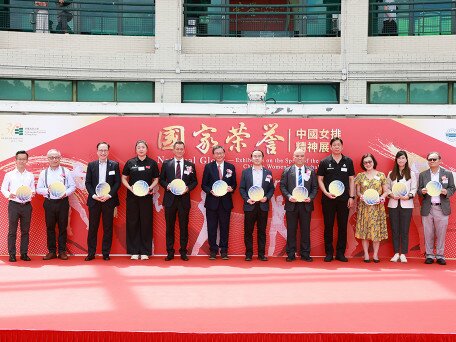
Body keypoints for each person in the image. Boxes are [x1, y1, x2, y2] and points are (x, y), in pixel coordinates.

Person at [317, 137, 355, 262]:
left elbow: (351, 179)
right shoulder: (324, 162)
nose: (337, 147)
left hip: (344, 199)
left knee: (343, 226)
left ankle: (340, 253)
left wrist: (351, 196)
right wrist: (326, 193)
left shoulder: (348, 161)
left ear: (342, 147)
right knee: (328, 226)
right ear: (330, 147)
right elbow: (320, 180)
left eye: (339, 145)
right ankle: (329, 253)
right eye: (334, 145)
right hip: (328, 199)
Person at [159, 141, 198, 261]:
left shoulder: (190, 165)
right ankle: (170, 252)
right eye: (177, 149)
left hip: (184, 200)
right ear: (173, 150)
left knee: (184, 227)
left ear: (184, 150)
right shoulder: (166, 164)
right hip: (170, 200)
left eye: (182, 149)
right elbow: (161, 180)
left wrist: (188, 188)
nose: (180, 151)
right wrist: (167, 186)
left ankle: (183, 252)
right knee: (169, 227)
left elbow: (194, 181)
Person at [122, 140, 159, 260]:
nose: (141, 149)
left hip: (146, 197)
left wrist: (150, 187)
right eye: (139, 147)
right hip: (132, 197)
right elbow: (123, 178)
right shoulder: (130, 162)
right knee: (132, 223)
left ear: (146, 149)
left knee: (146, 223)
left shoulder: (152, 163)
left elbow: (156, 179)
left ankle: (145, 251)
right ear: (136, 149)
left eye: (143, 147)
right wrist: (130, 188)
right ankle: (133, 251)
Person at [36, 149, 76, 260]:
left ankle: (62, 251)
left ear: (60, 158)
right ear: (48, 159)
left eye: (57, 157)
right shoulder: (43, 173)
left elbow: (72, 186)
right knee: (50, 227)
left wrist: (65, 193)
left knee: (63, 227)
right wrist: (47, 191)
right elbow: (38, 189)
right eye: (52, 157)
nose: (54, 159)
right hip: (49, 203)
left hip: (63, 202)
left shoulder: (66, 171)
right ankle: (52, 251)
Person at [84, 142, 121, 261]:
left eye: (105, 150)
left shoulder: (114, 165)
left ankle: (106, 253)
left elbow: (117, 183)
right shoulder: (91, 165)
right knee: (93, 227)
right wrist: (94, 195)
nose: (103, 152)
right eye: (101, 150)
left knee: (108, 227)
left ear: (108, 152)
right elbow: (88, 183)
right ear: (97, 152)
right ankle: (91, 253)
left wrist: (109, 195)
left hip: (108, 201)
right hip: (94, 201)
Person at [280, 148, 318, 262]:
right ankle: (291, 253)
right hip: (292, 204)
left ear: (305, 157)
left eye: (302, 156)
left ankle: (305, 254)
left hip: (306, 205)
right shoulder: (287, 171)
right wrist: (288, 196)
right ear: (293, 157)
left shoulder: (310, 170)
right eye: (297, 156)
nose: (299, 158)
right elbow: (282, 186)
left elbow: (315, 187)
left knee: (305, 230)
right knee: (291, 230)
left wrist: (310, 197)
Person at [418, 152, 455, 265]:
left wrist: (446, 191)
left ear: (440, 160)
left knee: (441, 233)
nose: (432, 161)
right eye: (430, 159)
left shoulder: (447, 174)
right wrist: (422, 192)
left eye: (434, 159)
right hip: (428, 208)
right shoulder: (423, 175)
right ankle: (429, 255)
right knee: (428, 233)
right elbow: (419, 190)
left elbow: (452, 188)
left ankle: (440, 255)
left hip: (441, 207)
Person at [201, 145, 237, 260]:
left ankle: (224, 250)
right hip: (212, 202)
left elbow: (234, 184)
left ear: (224, 154)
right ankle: (213, 250)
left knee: (224, 227)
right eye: (217, 153)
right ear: (213, 155)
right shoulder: (208, 167)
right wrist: (210, 191)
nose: (219, 155)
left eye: (221, 153)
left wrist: (232, 188)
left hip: (225, 202)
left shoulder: (230, 167)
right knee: (211, 227)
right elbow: (204, 185)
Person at [239, 149, 275, 261]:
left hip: (263, 206)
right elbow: (242, 188)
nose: (257, 158)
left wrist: (267, 197)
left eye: (259, 156)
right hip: (250, 205)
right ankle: (249, 254)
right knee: (248, 231)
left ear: (263, 158)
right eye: (255, 156)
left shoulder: (268, 173)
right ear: (251, 158)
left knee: (262, 231)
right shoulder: (246, 172)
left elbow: (271, 188)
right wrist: (247, 199)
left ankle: (261, 254)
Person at [1, 151, 35, 262]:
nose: (21, 161)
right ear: (15, 160)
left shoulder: (30, 175)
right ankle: (12, 254)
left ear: (27, 160)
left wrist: (33, 193)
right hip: (14, 205)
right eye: (19, 159)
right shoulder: (9, 174)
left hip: (26, 206)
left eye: (24, 159)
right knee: (12, 231)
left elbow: (32, 189)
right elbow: (3, 189)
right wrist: (8, 194)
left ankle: (24, 254)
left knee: (25, 231)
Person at [354, 153, 388, 263]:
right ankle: (366, 255)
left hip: (377, 208)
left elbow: (386, 191)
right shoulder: (360, 176)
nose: (368, 164)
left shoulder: (381, 175)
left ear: (373, 162)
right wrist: (361, 196)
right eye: (365, 162)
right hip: (364, 208)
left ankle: (376, 255)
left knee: (376, 231)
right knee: (364, 231)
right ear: (363, 164)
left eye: (370, 161)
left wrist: (382, 197)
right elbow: (358, 192)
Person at [386, 150, 417, 263]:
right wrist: (391, 195)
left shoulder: (411, 173)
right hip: (393, 204)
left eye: (403, 158)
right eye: (399, 158)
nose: (401, 160)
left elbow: (414, 189)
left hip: (406, 205)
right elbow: (387, 187)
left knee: (404, 230)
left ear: (406, 159)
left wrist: (408, 196)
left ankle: (403, 253)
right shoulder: (391, 173)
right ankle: (395, 253)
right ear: (396, 160)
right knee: (394, 230)